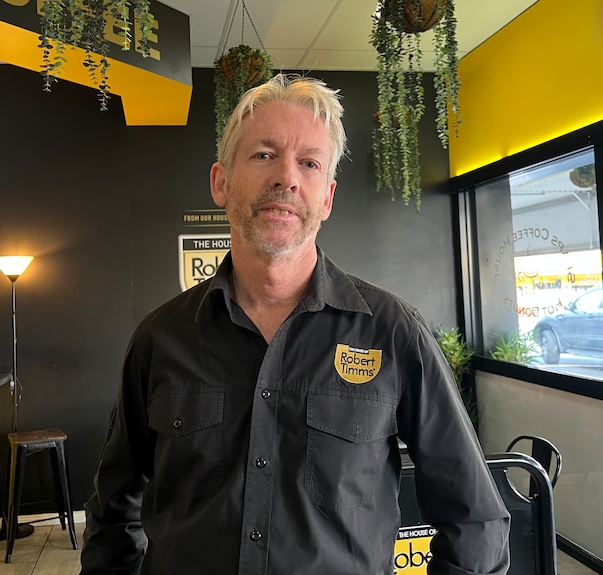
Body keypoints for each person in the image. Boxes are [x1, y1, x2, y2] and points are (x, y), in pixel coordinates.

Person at [80, 73, 510, 575]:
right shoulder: (160, 339)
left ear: (326, 198)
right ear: (221, 181)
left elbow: (474, 519)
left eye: (308, 162)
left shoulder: (392, 332)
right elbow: (113, 513)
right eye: (263, 154)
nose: (286, 177)